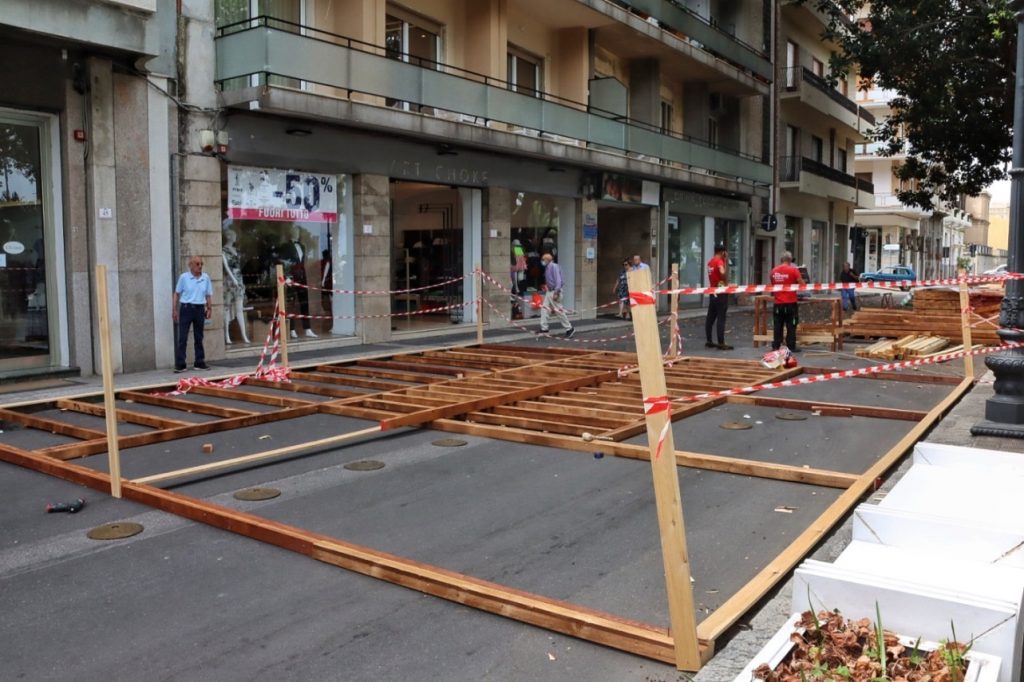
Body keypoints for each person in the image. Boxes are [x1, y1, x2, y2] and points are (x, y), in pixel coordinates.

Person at [276, 224, 318, 339]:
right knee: (292, 304)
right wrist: (286, 277)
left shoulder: (302, 246)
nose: (297, 234)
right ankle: (292, 329)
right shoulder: (285, 247)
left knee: (304, 302)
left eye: (298, 232)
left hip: (302, 276)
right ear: (291, 233)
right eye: (295, 232)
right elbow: (281, 262)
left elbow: (303, 262)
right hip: (291, 276)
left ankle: (307, 328)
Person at [172, 255, 213, 372]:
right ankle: (181, 364)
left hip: (200, 309)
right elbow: (176, 293)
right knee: (183, 337)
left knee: (199, 337)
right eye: (197, 264)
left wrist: (209, 308)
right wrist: (174, 309)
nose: (200, 266)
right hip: (186, 308)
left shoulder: (205, 278)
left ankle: (199, 362)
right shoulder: (184, 277)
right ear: (190, 265)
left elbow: (208, 294)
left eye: (201, 264)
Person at [770, 251, 806, 352]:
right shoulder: (794, 270)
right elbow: (802, 285)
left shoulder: (774, 271)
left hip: (778, 303)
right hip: (790, 303)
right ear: (790, 260)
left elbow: (773, 285)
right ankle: (791, 346)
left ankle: (776, 345)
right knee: (791, 324)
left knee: (777, 325)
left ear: (781, 260)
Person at [222, 229, 251, 345]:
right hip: (229, 281)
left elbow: (240, 266)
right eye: (234, 235)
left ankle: (244, 336)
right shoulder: (223, 251)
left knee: (239, 308)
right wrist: (233, 279)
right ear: (229, 236)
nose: (235, 237)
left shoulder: (237, 250)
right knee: (227, 307)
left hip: (239, 279)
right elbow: (226, 267)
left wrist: (238, 280)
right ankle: (227, 336)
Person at [539, 252, 574, 337]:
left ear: (547, 260)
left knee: (559, 311)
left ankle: (569, 328)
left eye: (543, 259)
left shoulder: (553, 266)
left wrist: (556, 292)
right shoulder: (548, 267)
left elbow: (558, 280)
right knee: (544, 309)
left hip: (554, 291)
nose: (542, 261)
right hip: (550, 291)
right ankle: (544, 328)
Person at [705, 244, 732, 350]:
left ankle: (709, 340)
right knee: (721, 317)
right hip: (721, 292)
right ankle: (721, 342)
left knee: (710, 317)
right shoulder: (720, 261)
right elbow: (722, 272)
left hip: (713, 292)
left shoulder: (710, 262)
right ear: (723, 252)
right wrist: (724, 264)